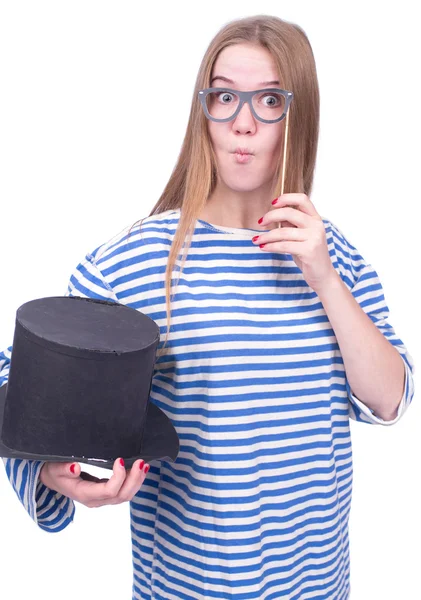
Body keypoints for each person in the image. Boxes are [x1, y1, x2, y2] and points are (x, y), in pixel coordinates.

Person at [0, 14, 415, 600]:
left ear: (299, 117)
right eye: (225, 97)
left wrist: (322, 276)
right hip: (187, 587)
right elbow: (18, 383)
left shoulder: (333, 255)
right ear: (204, 111)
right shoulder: (138, 260)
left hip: (320, 586)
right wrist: (51, 473)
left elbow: (391, 399)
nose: (243, 123)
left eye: (269, 100)